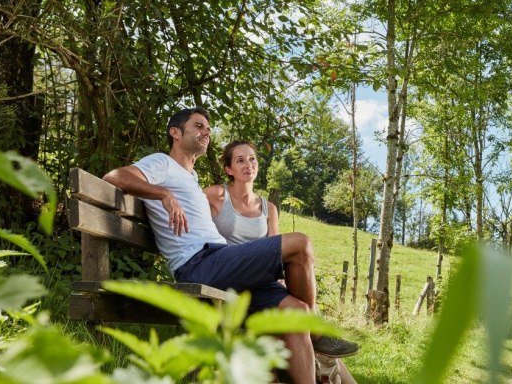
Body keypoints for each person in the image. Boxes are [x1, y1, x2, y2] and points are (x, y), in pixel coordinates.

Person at [103, 108, 358, 384]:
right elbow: (114, 177)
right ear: (175, 133)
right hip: (198, 265)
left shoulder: (191, 178)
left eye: (208, 128)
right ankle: (318, 336)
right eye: (198, 126)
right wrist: (163, 194)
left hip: (219, 259)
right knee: (301, 244)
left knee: (297, 310)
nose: (206, 131)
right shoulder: (162, 163)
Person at [204, 140, 356, 384]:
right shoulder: (215, 195)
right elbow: (188, 207)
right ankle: (319, 340)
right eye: (240, 160)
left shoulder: (269, 208)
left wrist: (282, 281)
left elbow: (275, 252)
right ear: (229, 169)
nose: (248, 164)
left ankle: (320, 350)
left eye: (252, 159)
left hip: (261, 283)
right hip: (229, 276)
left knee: (300, 310)